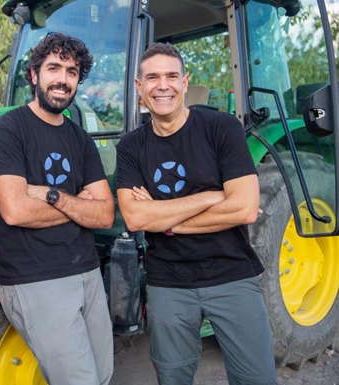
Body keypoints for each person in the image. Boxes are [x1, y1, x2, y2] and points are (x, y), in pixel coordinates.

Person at [116, 42, 276, 385]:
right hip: (168, 282)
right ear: (139, 87)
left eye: (172, 76)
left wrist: (167, 222)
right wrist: (212, 197)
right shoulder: (130, 147)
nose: (163, 85)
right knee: (172, 377)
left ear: (185, 82)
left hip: (231, 274)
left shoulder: (222, 129)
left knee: (257, 378)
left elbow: (245, 207)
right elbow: (135, 219)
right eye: (153, 77)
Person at [0, 33, 115, 384]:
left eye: (72, 72)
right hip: (36, 278)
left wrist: (51, 195)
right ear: (33, 75)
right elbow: (15, 212)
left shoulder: (79, 137)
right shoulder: (8, 129)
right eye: (54, 68)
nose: (63, 79)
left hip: (87, 272)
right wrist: (79, 205)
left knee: (102, 376)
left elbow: (105, 214)